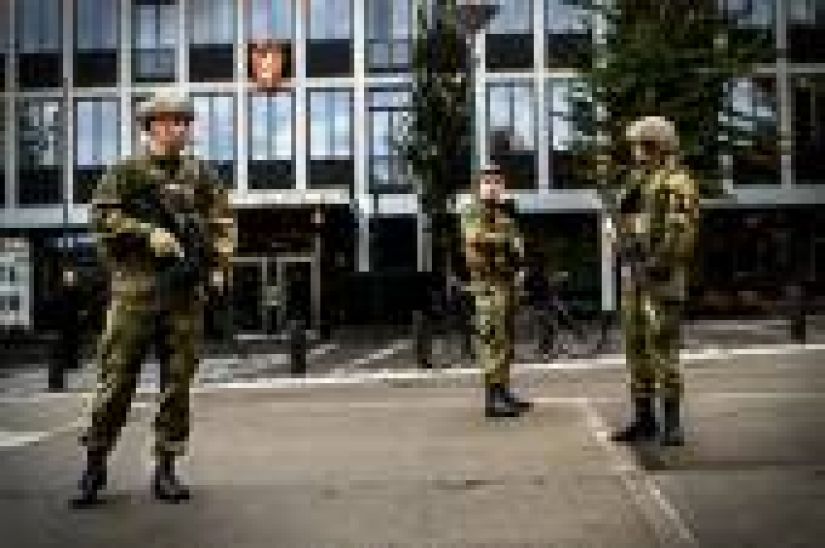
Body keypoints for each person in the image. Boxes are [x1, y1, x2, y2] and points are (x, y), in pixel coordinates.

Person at [71, 91, 235, 507]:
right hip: (135, 292)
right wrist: (147, 233)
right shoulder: (125, 173)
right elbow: (101, 217)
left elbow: (222, 222)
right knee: (116, 382)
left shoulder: (202, 175)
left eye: (184, 121)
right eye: (171, 121)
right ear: (152, 126)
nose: (180, 128)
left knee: (177, 384)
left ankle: (166, 468)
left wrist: (218, 265)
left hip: (183, 293)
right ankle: (95, 463)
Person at [610, 116, 699, 446]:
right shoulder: (638, 181)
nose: (635, 151)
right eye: (635, 145)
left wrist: (657, 263)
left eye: (641, 145)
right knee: (635, 348)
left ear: (657, 146)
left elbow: (681, 232)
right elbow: (624, 221)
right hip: (635, 278)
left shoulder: (677, 181)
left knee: (663, 349)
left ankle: (672, 423)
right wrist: (621, 241)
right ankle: (644, 419)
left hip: (661, 279)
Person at [460, 164, 531, 418]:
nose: (492, 186)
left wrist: (520, 265)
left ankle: (504, 391)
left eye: (496, 182)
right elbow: (475, 237)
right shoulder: (472, 210)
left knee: (507, 340)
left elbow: (518, 243)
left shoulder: (505, 212)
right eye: (487, 182)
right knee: (492, 339)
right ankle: (493, 399)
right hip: (488, 285)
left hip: (507, 282)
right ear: (478, 187)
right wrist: (505, 238)